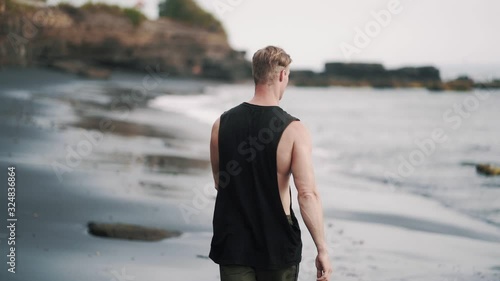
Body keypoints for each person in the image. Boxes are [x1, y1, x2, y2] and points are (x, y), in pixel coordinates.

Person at [209, 46, 333, 281]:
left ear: (255, 74)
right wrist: (322, 249)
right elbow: (307, 194)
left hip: (233, 238)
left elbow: (219, 182)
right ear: (282, 75)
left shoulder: (220, 124)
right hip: (277, 239)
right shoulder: (294, 130)